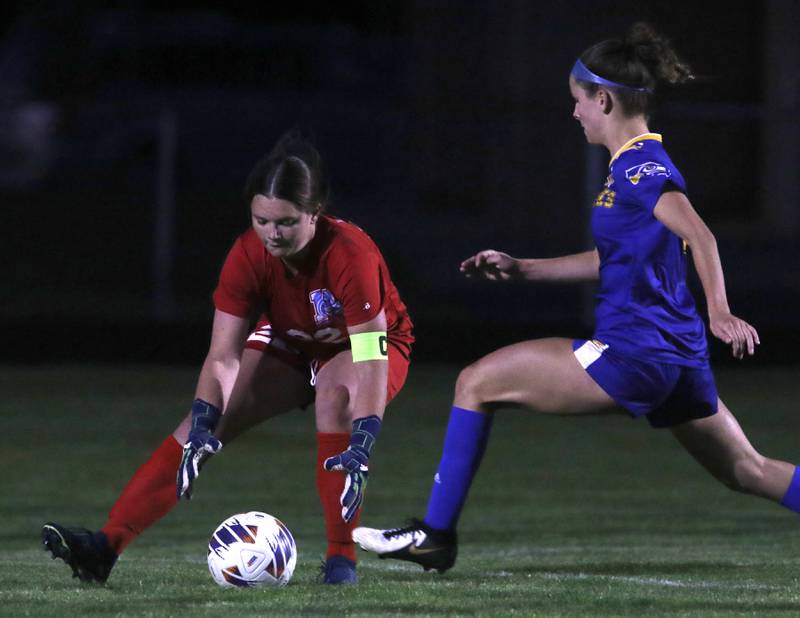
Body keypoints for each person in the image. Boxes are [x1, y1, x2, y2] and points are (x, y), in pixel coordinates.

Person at [352, 23, 800, 573]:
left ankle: (435, 536)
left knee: (476, 381)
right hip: (677, 361)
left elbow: (699, 234)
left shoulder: (639, 167)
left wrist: (721, 311)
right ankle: (435, 536)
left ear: (604, 99)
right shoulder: (629, 168)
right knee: (746, 471)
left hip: (635, 355)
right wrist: (523, 269)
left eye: (578, 102)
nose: (574, 114)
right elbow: (613, 260)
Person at [42, 130, 414, 585]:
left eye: (286, 222)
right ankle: (104, 548)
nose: (271, 234)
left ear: (315, 214)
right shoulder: (247, 253)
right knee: (200, 431)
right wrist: (202, 419)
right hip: (292, 340)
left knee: (336, 399)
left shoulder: (349, 254)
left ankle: (341, 561)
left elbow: (370, 354)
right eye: (261, 220)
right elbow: (222, 358)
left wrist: (365, 436)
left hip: (368, 344)